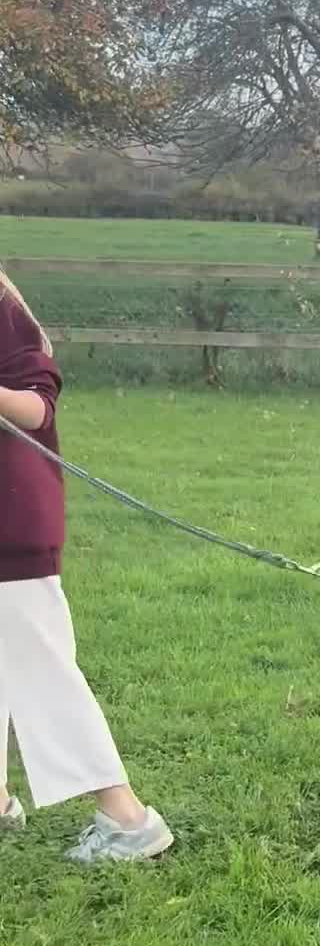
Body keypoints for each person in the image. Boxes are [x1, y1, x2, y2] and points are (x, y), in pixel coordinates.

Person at [0, 267, 173, 861]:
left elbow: (34, 410)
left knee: (42, 669)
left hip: (9, 523)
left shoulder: (2, 308)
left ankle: (126, 819)